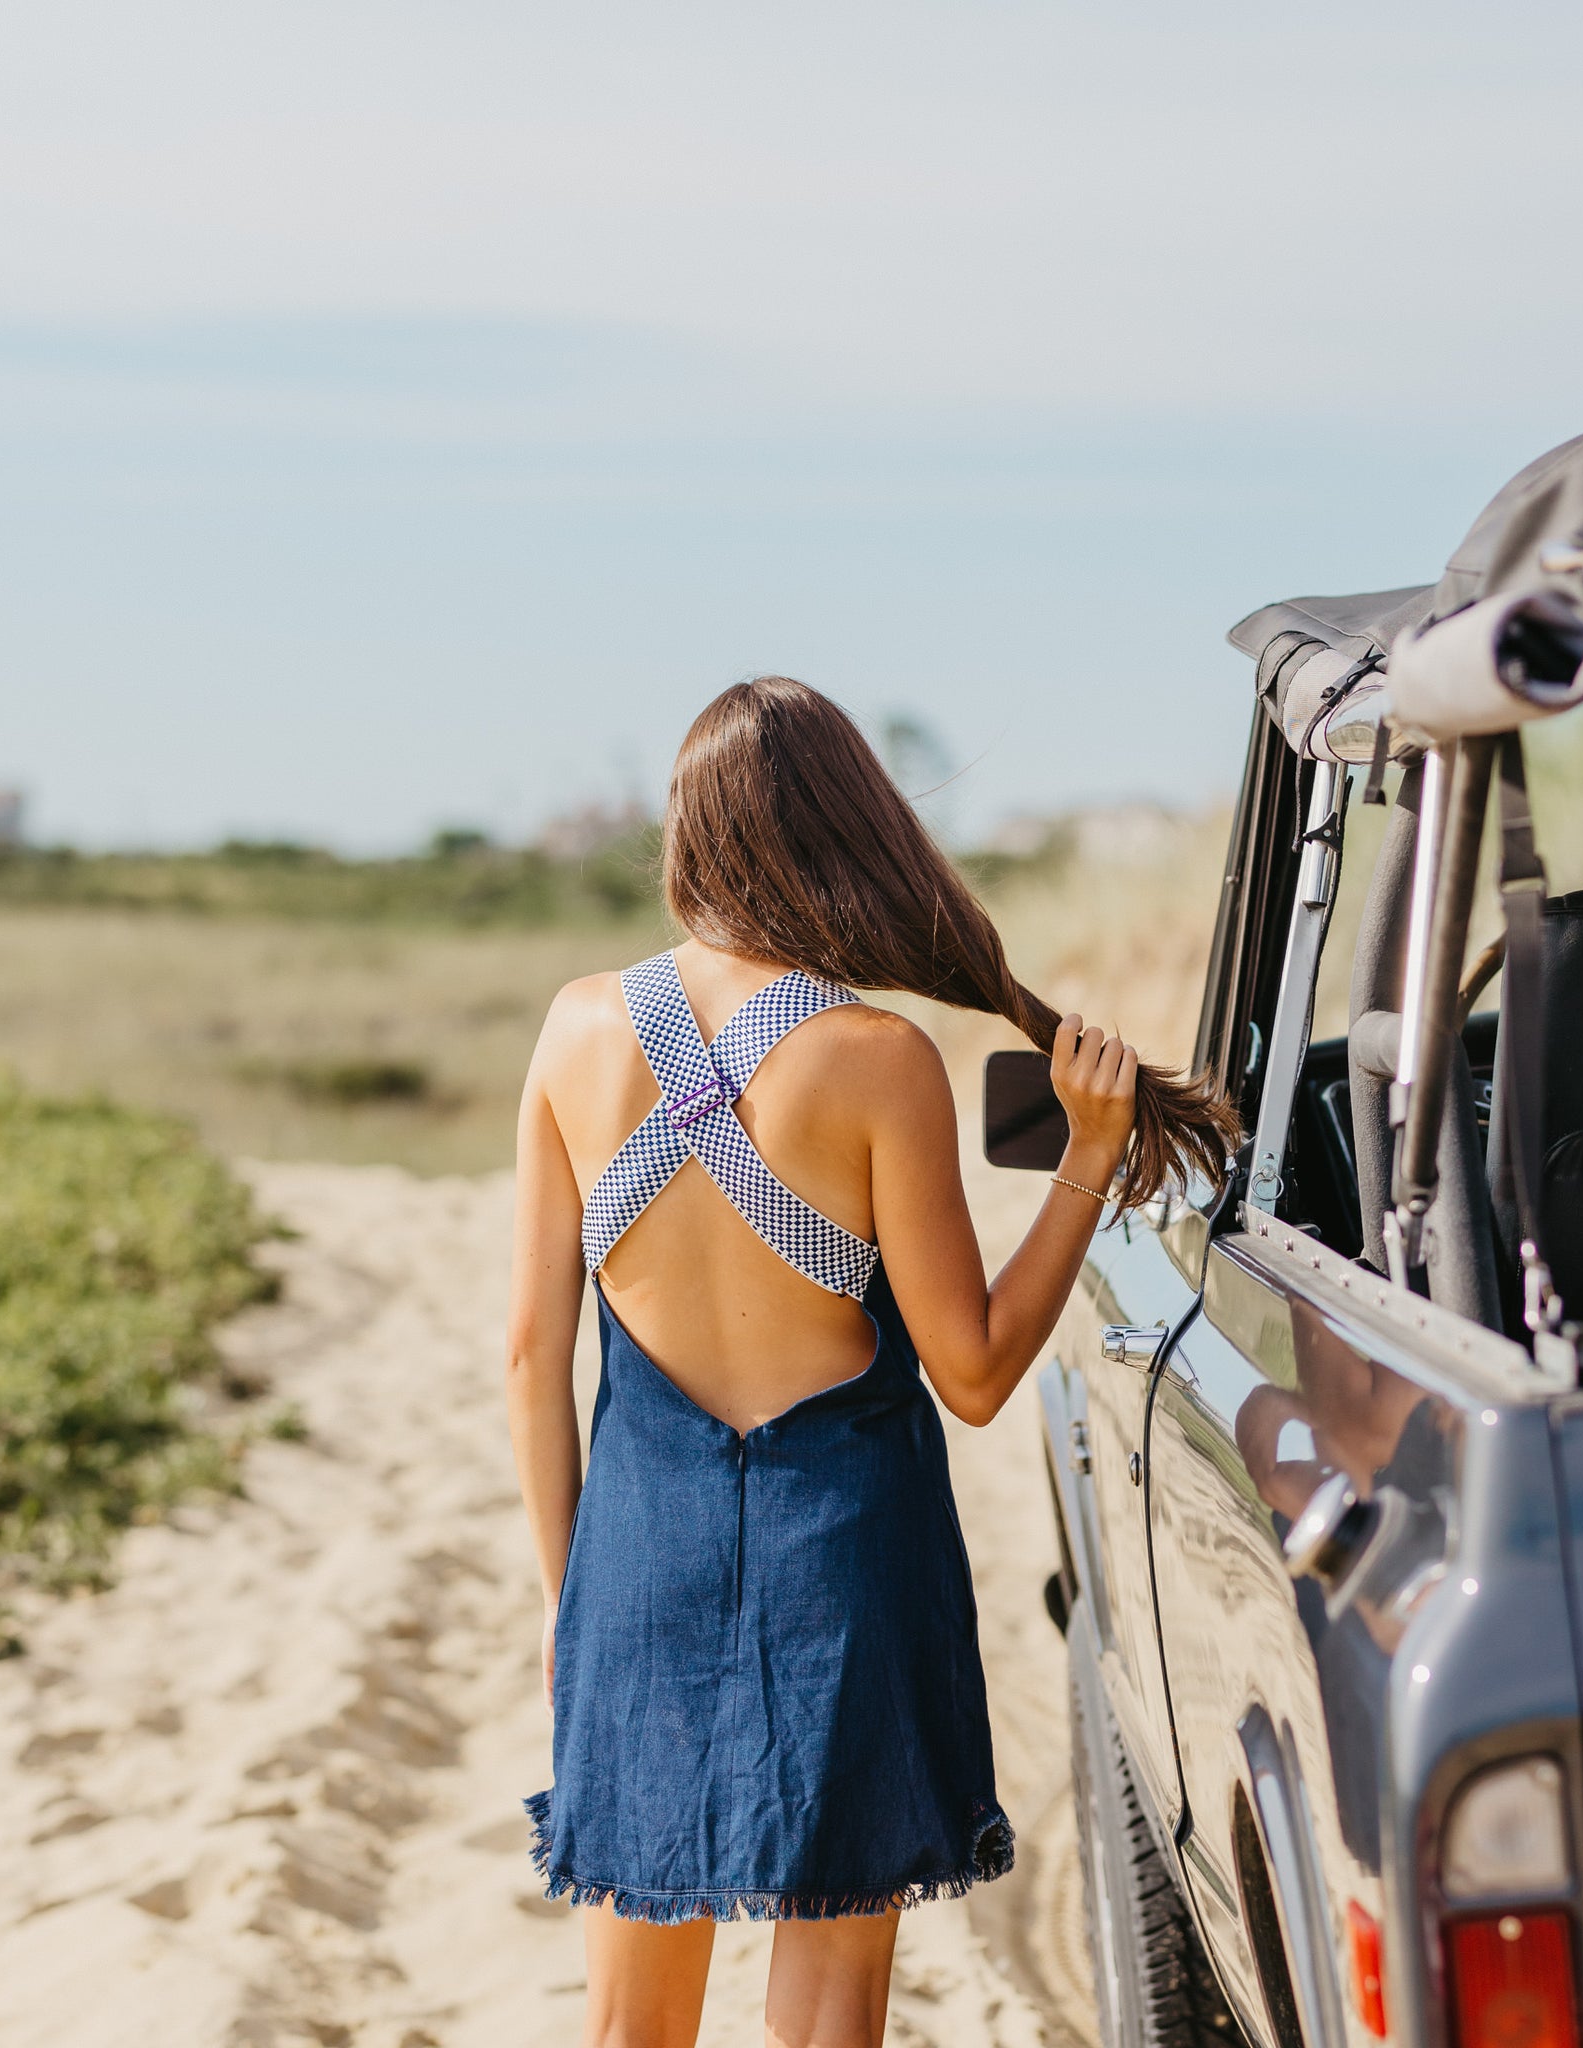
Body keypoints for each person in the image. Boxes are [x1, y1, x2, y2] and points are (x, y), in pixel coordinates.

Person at [505, 676, 1235, 2048]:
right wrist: (1085, 1160)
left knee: (628, 2029)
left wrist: (569, 1598)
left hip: (639, 1566)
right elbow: (971, 1371)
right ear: (850, 836)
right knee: (829, 2017)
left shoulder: (577, 1029)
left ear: (691, 833)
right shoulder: (879, 1061)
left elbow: (532, 1354)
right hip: (843, 1563)